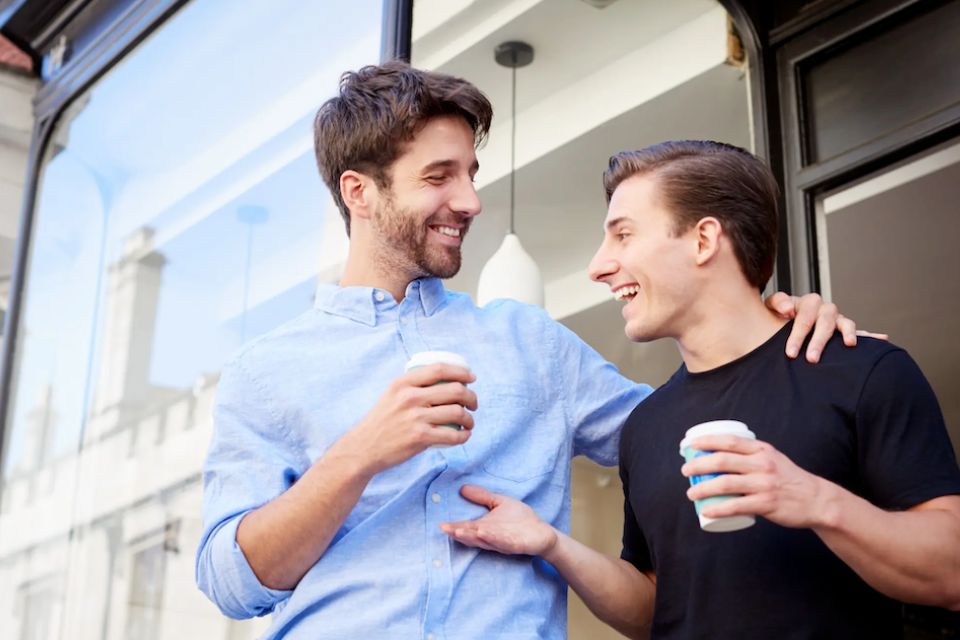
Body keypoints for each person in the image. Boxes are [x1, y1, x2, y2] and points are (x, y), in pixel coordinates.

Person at [195, 63, 858, 639]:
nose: (470, 201)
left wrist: (757, 321)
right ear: (359, 192)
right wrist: (361, 453)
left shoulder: (530, 342)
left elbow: (685, 435)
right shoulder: (266, 371)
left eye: (471, 174)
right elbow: (233, 583)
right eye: (438, 176)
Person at [441, 140, 960, 639]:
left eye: (623, 236)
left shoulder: (862, 370)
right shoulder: (647, 425)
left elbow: (950, 572)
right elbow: (655, 608)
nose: (598, 266)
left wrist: (813, 499)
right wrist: (552, 544)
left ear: (704, 240)